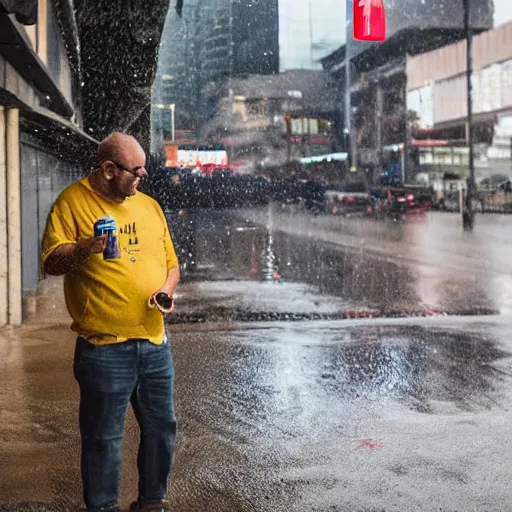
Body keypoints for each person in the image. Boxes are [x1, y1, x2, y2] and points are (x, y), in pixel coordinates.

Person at [41, 132, 180, 512]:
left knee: (161, 430)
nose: (142, 177)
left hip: (154, 343)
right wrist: (85, 247)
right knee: (103, 438)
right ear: (108, 169)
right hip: (103, 348)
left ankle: (152, 502)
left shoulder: (149, 207)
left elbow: (171, 264)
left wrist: (166, 290)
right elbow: (51, 263)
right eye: (136, 171)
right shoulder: (73, 202)